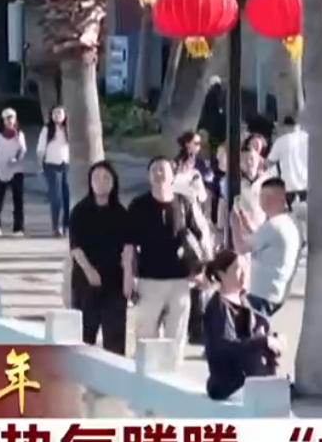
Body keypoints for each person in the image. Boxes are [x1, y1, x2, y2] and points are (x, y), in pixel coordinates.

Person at [124, 157, 207, 363]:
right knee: (145, 334)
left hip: (180, 281)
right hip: (149, 280)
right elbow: (129, 245)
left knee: (176, 334)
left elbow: (200, 238)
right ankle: (144, 371)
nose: (159, 174)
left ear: (173, 175)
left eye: (163, 169)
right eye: (154, 170)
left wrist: (202, 271)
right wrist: (128, 276)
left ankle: (172, 371)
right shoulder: (138, 205)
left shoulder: (184, 203)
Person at [203, 247, 283, 401]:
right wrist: (262, 342)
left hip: (251, 379)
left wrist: (274, 340)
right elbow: (226, 346)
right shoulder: (219, 306)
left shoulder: (245, 301)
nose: (244, 274)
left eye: (246, 268)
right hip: (229, 384)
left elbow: (257, 329)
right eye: (238, 269)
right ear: (222, 274)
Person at [68, 160, 129, 355]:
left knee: (115, 340)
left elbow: (128, 247)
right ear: (90, 182)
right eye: (96, 178)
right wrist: (89, 271)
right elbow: (75, 247)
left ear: (113, 182)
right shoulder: (80, 211)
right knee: (84, 338)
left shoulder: (121, 213)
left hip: (114, 282)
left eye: (106, 178)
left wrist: (129, 276)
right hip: (85, 282)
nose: (101, 182)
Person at [236, 178, 303, 317]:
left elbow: (241, 248)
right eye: (261, 197)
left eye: (267, 197)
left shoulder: (274, 225)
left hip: (262, 296)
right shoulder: (288, 221)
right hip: (275, 294)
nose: (262, 202)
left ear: (280, 198)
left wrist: (234, 223)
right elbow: (263, 240)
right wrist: (246, 224)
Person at [0, 108, 28, 237]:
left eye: (12, 118)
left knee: (18, 200)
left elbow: (23, 150)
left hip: (16, 170)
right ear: (3, 120)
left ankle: (18, 228)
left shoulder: (19, 134)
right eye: (7, 119)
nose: (10, 121)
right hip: (1, 169)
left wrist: (16, 158)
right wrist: (0, 160)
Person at [38, 106, 70, 237]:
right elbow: (41, 149)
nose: (57, 115)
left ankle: (66, 226)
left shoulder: (68, 129)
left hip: (66, 164)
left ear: (64, 115)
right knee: (56, 197)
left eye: (59, 113)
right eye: (54, 113)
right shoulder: (47, 129)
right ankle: (55, 227)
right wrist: (40, 164)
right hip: (51, 165)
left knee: (67, 197)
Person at [267, 117, 309, 208]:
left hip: (289, 185)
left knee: (292, 213)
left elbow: (270, 162)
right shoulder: (308, 138)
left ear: (285, 127)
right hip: (308, 183)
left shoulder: (281, 141)